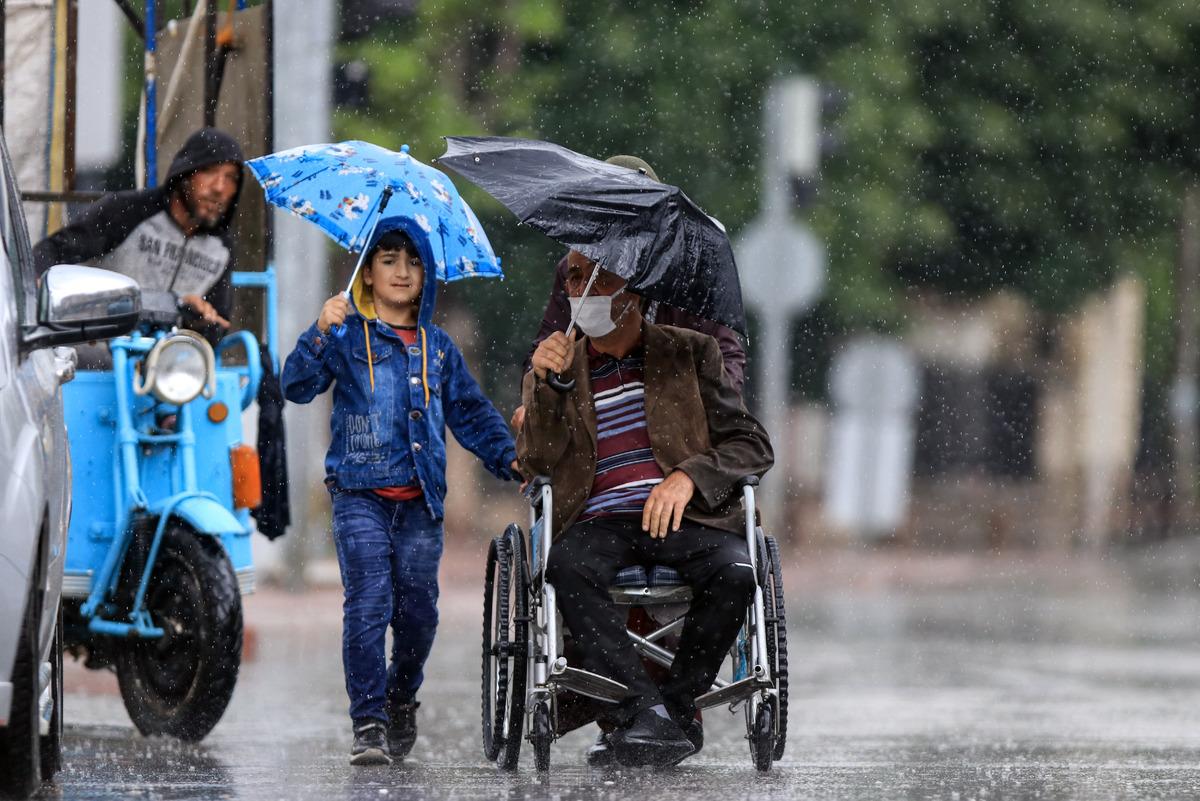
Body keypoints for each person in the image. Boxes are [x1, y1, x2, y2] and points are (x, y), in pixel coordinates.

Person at [518, 252, 773, 768]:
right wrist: (546, 387)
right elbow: (537, 460)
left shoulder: (690, 352)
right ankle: (643, 708)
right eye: (571, 274)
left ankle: (672, 709)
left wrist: (688, 477)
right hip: (598, 518)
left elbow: (752, 444)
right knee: (564, 568)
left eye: (595, 276)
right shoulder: (555, 368)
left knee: (738, 572)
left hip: (683, 516)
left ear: (633, 291)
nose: (578, 287)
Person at [282, 227, 520, 766]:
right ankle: (368, 721)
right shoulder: (345, 335)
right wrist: (319, 331)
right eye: (388, 260)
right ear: (367, 272)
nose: (402, 271)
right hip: (359, 496)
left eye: (414, 262)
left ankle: (400, 695)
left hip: (420, 504)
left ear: (426, 277)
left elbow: (470, 413)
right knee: (367, 604)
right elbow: (295, 385)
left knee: (418, 613)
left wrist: (508, 457)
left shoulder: (438, 348)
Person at [33, 127, 244, 343]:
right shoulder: (128, 211)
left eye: (231, 178)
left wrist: (196, 318)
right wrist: (37, 286)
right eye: (209, 171)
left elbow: (218, 326)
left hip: (167, 366)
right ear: (185, 173)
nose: (220, 187)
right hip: (96, 346)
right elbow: (51, 252)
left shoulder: (221, 247)